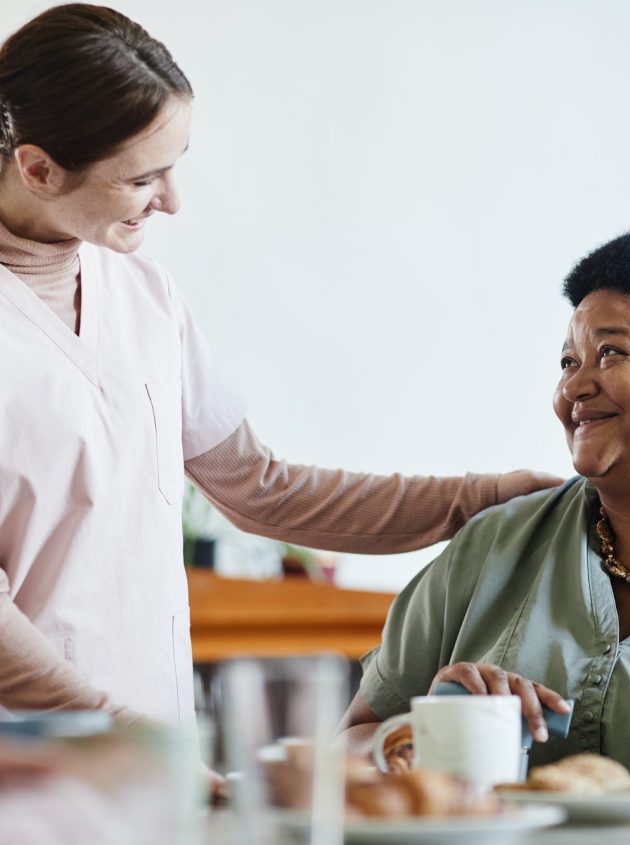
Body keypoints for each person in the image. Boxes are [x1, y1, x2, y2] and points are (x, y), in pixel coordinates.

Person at [0, 4, 562, 728]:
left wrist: (477, 499)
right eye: (144, 179)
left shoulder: (144, 297)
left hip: (152, 757)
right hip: (38, 763)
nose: (173, 201)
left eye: (176, 167)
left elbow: (261, 490)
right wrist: (116, 730)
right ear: (39, 169)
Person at [342, 225, 630, 780]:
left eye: (611, 353)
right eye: (569, 362)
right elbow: (346, 744)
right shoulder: (494, 545)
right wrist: (423, 734)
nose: (573, 388)